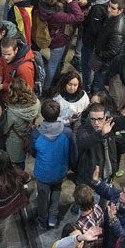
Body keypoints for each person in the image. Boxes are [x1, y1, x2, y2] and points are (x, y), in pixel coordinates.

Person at [29, 99, 76, 231]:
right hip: (60, 171)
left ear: (42, 114)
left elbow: (33, 152)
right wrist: (70, 166)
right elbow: (73, 151)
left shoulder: (36, 133)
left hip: (43, 173)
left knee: (42, 197)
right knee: (56, 191)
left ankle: (42, 222)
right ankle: (52, 219)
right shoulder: (66, 132)